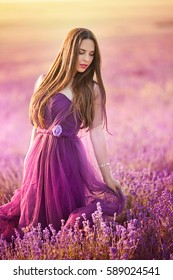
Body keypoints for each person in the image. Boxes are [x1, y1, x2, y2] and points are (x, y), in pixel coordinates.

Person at [0, 28, 125, 241]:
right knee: (35, 221)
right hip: (40, 158)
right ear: (69, 51)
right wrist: (28, 161)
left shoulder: (91, 89)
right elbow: (36, 125)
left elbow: (96, 132)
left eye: (91, 54)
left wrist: (107, 175)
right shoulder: (43, 81)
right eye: (81, 52)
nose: (87, 58)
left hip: (68, 158)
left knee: (63, 217)